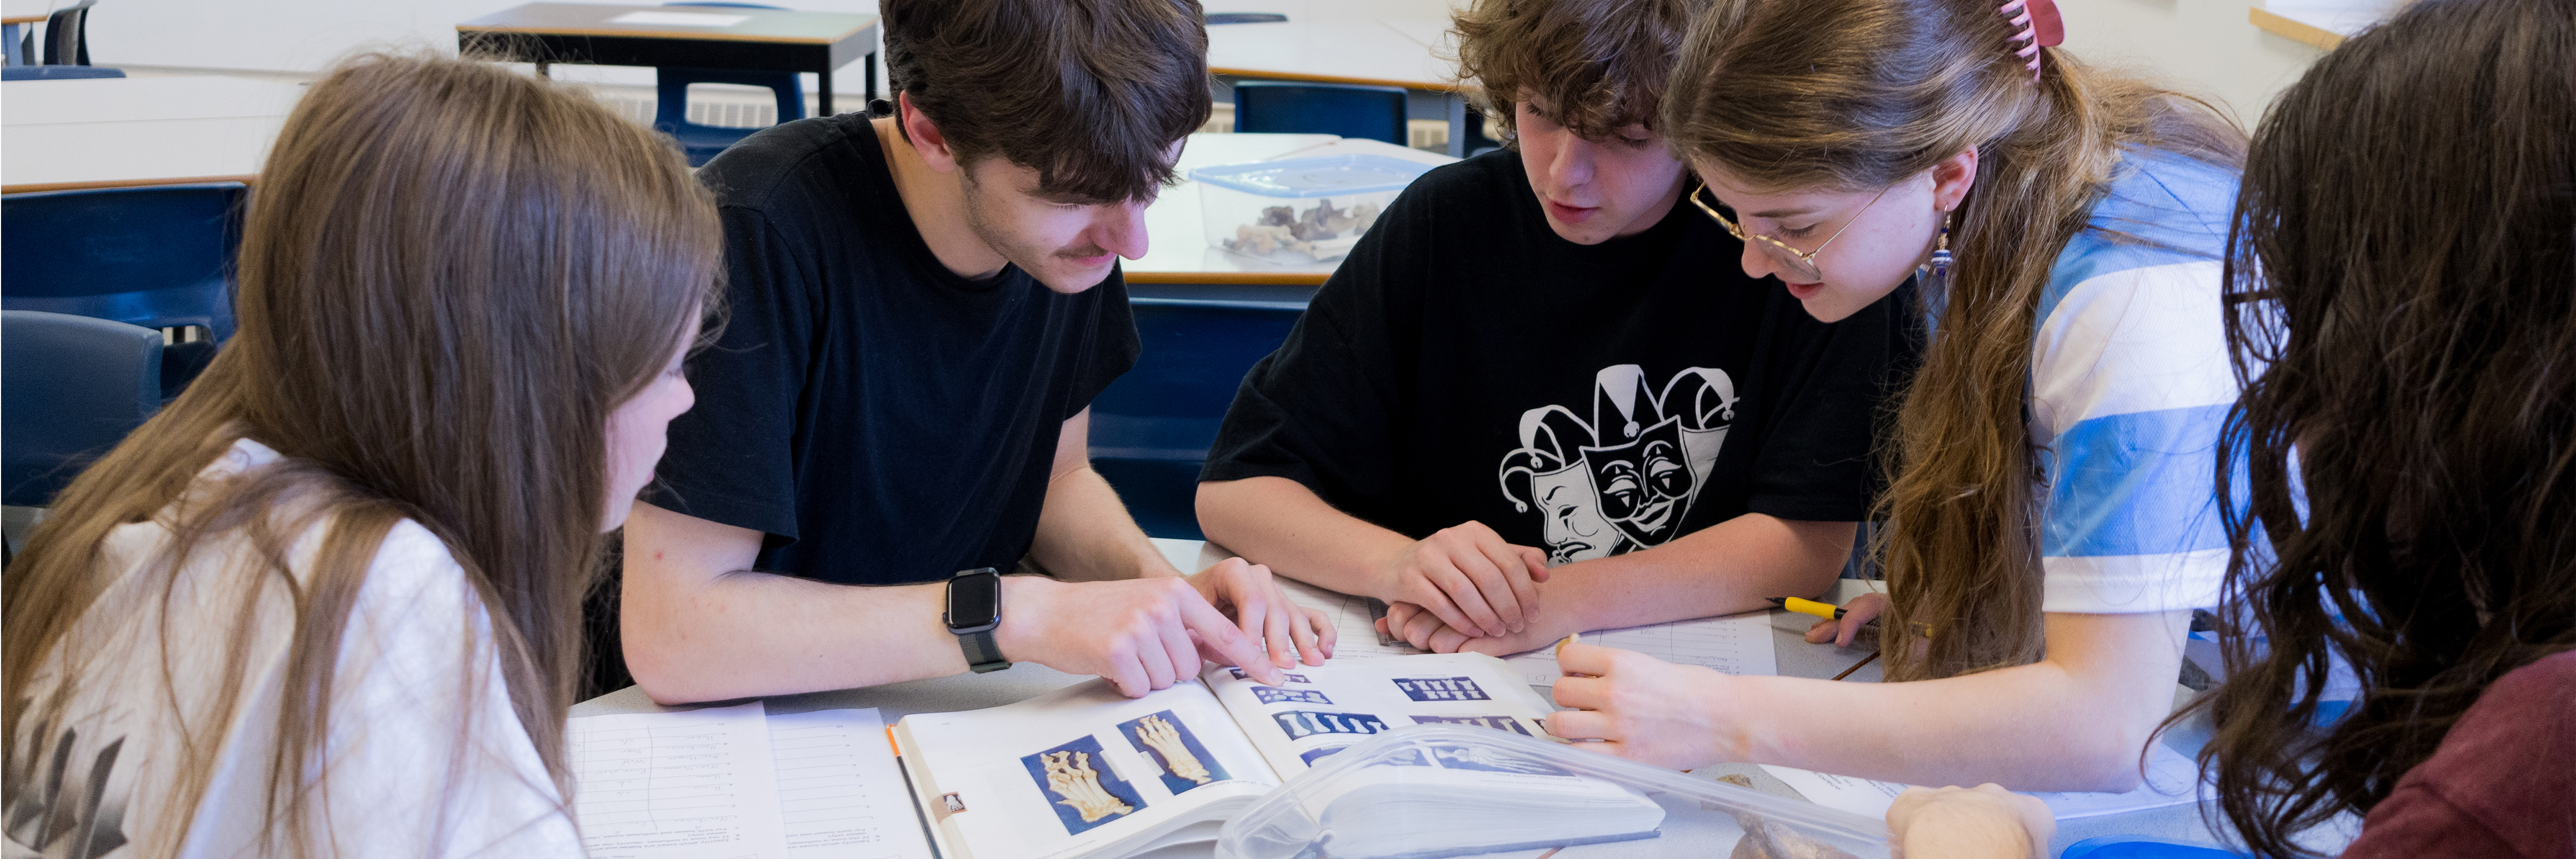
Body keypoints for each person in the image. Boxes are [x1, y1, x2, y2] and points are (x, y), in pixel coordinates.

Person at [1879, 0, 2576, 855]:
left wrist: (1980, 840)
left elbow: (2100, 720)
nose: (2286, 396)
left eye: (2313, 315)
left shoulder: (2526, 765)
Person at [1526, 0, 2254, 790]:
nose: (1756, 263)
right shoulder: (1970, 222)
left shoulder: (2131, 293)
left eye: (1794, 226)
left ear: (1946, 174)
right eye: (1735, 216)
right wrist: (1956, 606)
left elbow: (2108, 729)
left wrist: (1722, 716)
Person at [1, 53, 715, 857]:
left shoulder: (151, 507)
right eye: (667, 366)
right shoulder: (383, 602)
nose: (685, 400)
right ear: (530, 383)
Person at [620, 0, 1329, 705]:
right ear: (931, 132)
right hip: (753, 723)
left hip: (945, 698)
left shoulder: (1071, 244)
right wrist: (1016, 616)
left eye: (1153, 184)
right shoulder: (753, 235)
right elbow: (675, 637)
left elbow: (1056, 481)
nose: (1130, 242)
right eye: (1074, 196)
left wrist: (1164, 597)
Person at [1195, 0, 1917, 654]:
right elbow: (1235, 490)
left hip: (1680, 670)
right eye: (1539, 112)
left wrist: (1551, 604)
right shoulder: (1446, 223)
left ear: (1703, 126)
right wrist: (1396, 564)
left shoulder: (1788, 249)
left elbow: (1807, 541)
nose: (1564, 174)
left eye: (1627, 137)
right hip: (1446, 665)